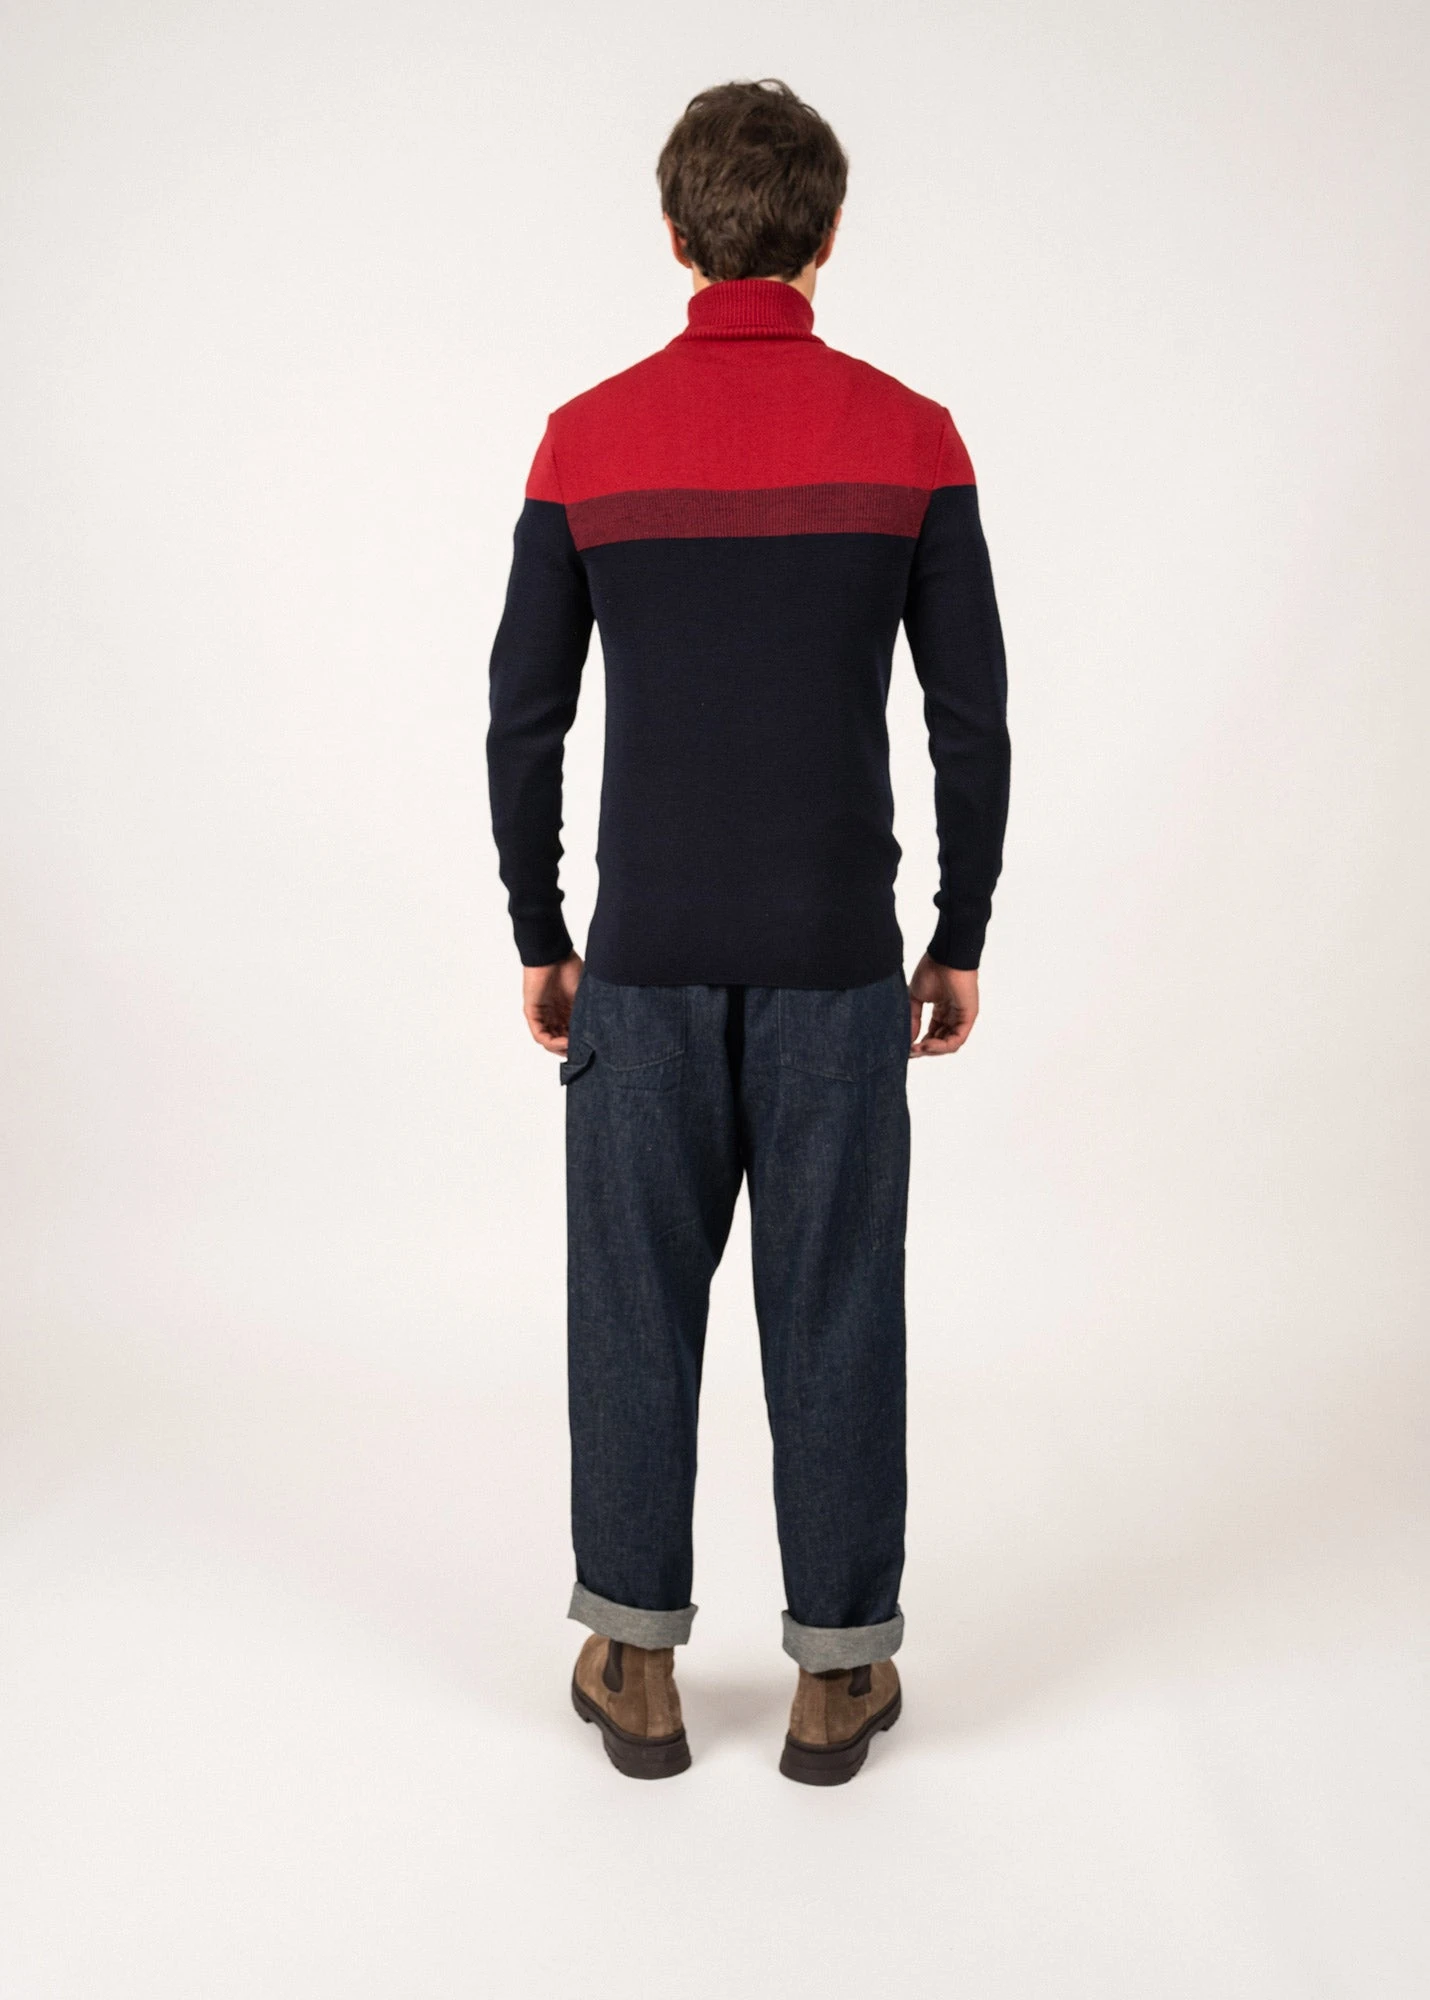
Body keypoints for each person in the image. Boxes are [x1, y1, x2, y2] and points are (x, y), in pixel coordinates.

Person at [487, 78, 1009, 1784]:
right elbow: (970, 723)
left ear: (673, 235)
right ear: (826, 235)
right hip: (836, 962)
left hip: (636, 959)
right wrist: (956, 932)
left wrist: (542, 929)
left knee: (630, 1310)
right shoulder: (912, 437)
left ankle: (633, 1663)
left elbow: (522, 719)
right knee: (836, 1306)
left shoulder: (584, 437)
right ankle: (836, 1681)